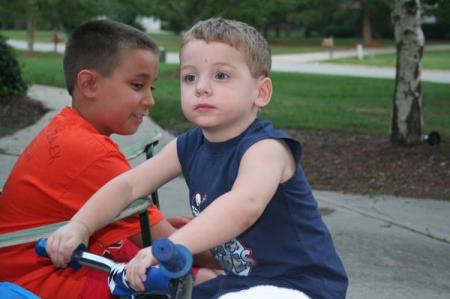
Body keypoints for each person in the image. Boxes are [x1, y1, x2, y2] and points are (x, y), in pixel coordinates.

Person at [46, 18, 348, 299]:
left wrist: (170, 246)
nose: (201, 87)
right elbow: (127, 186)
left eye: (221, 75)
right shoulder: (187, 147)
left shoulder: (266, 149)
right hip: (243, 281)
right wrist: (80, 226)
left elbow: (244, 206)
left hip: (301, 285)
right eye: (189, 77)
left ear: (261, 92)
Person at [0, 19, 175, 299]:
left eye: (150, 87)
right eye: (138, 85)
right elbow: (170, 246)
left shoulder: (68, 128)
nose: (150, 101)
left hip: (40, 265)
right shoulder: (93, 153)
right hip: (38, 282)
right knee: (188, 280)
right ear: (89, 83)